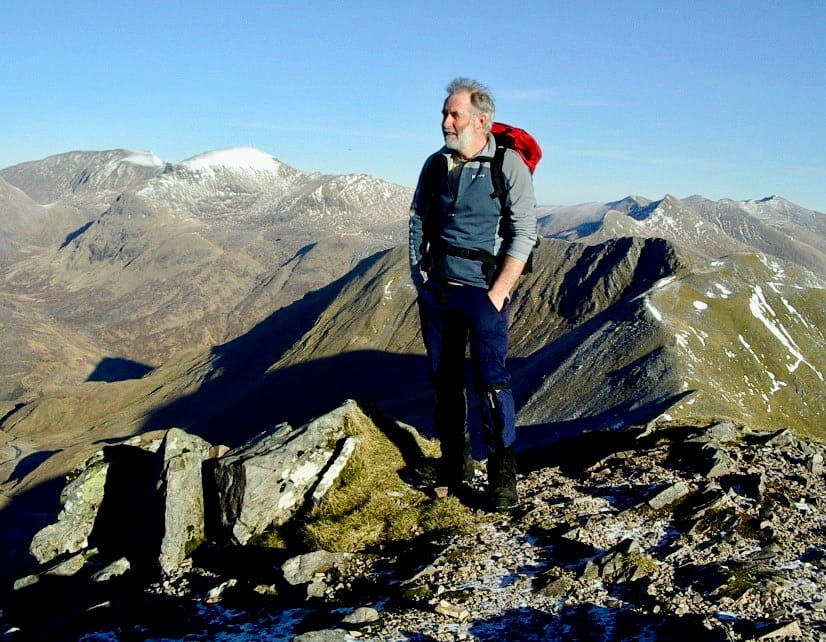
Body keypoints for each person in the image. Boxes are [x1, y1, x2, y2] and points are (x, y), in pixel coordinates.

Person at [408, 78, 537, 511]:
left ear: (481, 120)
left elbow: (525, 233)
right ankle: (454, 465)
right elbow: (417, 220)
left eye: (454, 114)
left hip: (483, 294)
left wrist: (499, 294)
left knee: (492, 383)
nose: (446, 122)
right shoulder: (435, 165)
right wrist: (420, 279)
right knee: (444, 383)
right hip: (439, 293)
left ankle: (502, 478)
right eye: (445, 114)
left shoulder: (508, 165)